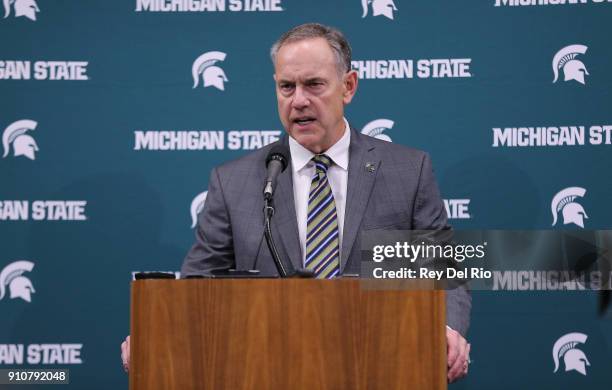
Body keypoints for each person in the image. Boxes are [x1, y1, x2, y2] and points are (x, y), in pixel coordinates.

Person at [122, 22, 471, 383]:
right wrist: (157, 329)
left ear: (348, 86)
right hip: (263, 372)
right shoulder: (235, 181)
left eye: (314, 84)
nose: (299, 100)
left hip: (381, 365)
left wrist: (448, 328)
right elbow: (198, 285)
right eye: (286, 87)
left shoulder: (406, 171)